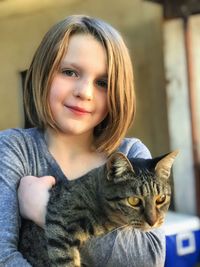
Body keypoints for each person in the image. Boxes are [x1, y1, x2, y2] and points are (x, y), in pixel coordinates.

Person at [0, 15, 165, 267]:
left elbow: (148, 260)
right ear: (43, 73)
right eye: (69, 72)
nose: (84, 92)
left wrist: (45, 209)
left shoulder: (131, 153)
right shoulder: (15, 150)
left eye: (103, 82)